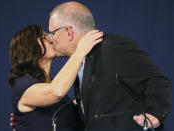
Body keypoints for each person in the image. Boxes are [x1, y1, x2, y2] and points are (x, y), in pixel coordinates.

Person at [46, 1, 171, 131]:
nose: (50, 39)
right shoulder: (82, 61)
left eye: (52, 33)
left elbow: (157, 80)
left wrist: (155, 114)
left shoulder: (112, 48)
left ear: (68, 32)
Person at [9, 24, 103, 131]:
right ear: (30, 47)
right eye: (45, 37)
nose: (51, 40)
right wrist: (80, 50)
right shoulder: (23, 84)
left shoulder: (52, 83)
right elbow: (56, 92)